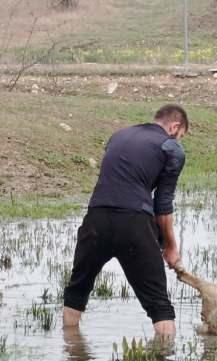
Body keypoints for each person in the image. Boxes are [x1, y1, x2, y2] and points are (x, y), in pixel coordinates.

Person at [62, 104, 189, 337]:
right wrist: (170, 246)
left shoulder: (118, 136)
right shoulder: (171, 149)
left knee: (76, 291)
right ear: (175, 127)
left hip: (95, 219)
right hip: (134, 224)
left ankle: (74, 356)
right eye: (181, 136)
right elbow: (162, 204)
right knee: (159, 305)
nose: (179, 141)